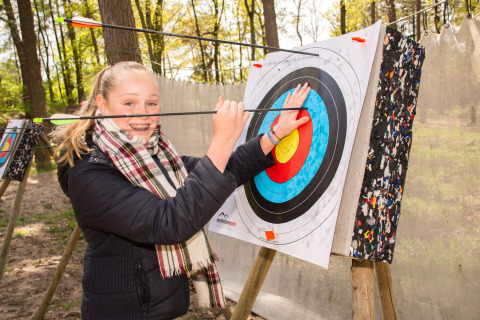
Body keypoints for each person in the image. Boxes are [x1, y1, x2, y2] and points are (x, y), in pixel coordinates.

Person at [53, 61, 310, 320]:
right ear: (102, 104)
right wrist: (222, 139)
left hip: (156, 309)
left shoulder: (154, 156)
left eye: (151, 103)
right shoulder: (88, 172)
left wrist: (275, 134)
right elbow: (169, 223)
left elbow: (220, 170)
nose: (143, 113)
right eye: (129, 103)